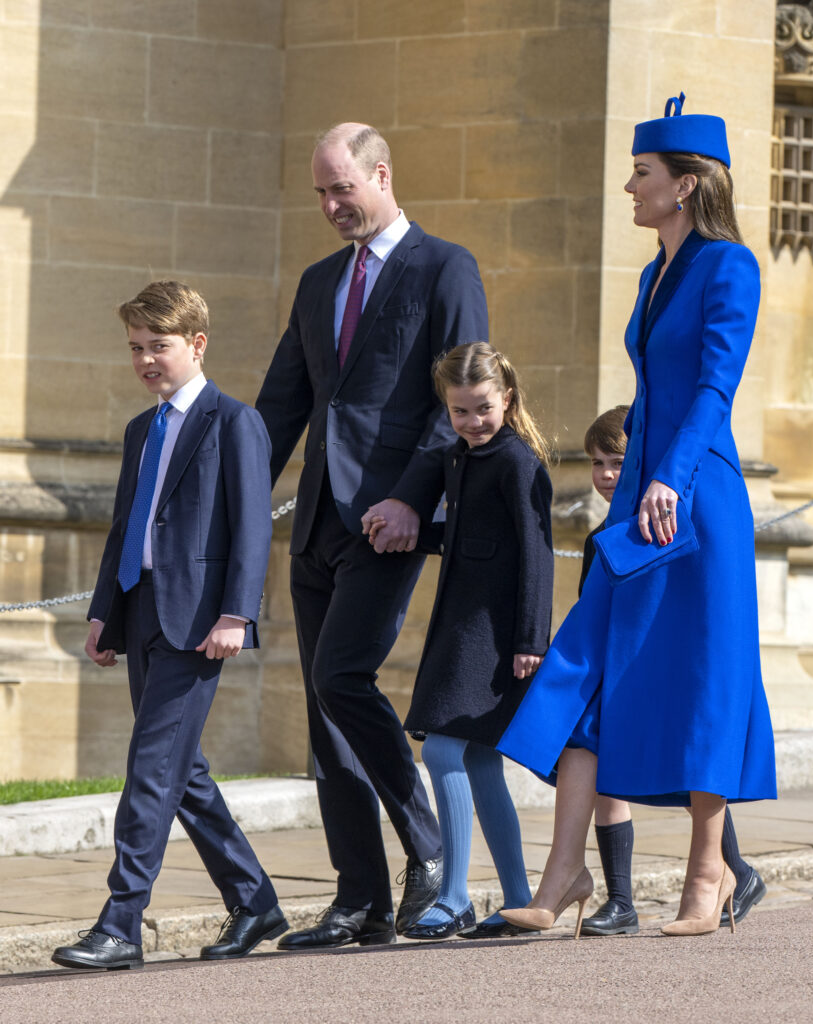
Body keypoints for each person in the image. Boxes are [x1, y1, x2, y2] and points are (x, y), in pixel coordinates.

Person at [498, 94, 777, 940]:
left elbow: (714, 388)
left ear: (684, 184)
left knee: (704, 677)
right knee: (582, 665)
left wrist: (669, 481)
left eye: (641, 173)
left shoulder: (729, 266)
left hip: (696, 500)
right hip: (642, 499)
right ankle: (563, 874)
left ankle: (708, 874)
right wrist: (636, 486)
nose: (628, 186)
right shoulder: (655, 274)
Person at [255, 123, 489, 950]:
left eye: (341, 189)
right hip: (317, 519)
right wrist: (227, 498)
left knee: (342, 676)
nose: (330, 206)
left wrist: (411, 498)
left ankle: (429, 851)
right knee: (325, 709)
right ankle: (360, 898)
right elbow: (282, 404)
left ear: (381, 175)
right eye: (320, 193)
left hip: (391, 519)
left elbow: (458, 398)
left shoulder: (444, 267)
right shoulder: (318, 281)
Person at [52, 282, 286, 971]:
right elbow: (125, 525)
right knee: (183, 773)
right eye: (135, 348)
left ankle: (121, 923)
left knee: (151, 768)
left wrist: (237, 613)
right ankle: (254, 900)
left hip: (199, 622)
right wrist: (104, 612)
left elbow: (252, 527)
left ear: (197, 344)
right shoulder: (141, 428)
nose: (146, 360)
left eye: (159, 346)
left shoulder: (233, 422)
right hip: (141, 609)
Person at [367, 343, 554, 941]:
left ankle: (454, 897)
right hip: (458, 623)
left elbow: (538, 554)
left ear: (508, 399)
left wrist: (532, 639)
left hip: (495, 634)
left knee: (444, 751)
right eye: (459, 411)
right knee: (478, 760)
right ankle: (519, 900)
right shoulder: (458, 456)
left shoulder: (519, 461)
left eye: (483, 408)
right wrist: (407, 531)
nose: (473, 421)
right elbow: (469, 535)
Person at [578, 406, 767, 937]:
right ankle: (621, 899)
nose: (606, 474)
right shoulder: (598, 533)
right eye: (597, 463)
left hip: (653, 665)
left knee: (690, 766)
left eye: (617, 462)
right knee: (601, 762)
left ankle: (732, 870)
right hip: (611, 664)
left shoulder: (660, 525)